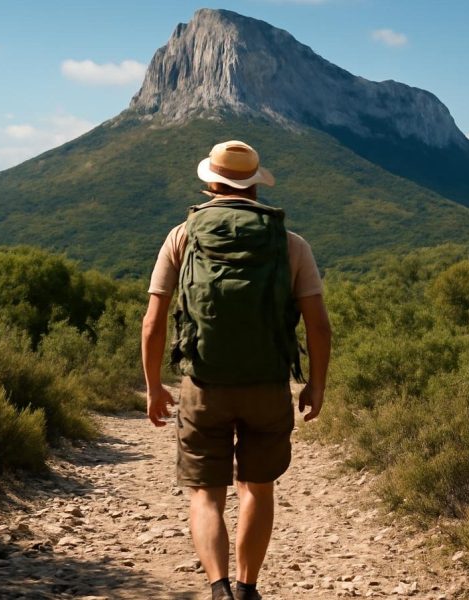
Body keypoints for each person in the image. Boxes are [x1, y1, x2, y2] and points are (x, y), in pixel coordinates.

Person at [141, 140, 332, 600]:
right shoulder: (290, 243)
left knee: (206, 494)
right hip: (267, 385)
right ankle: (248, 588)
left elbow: (153, 322)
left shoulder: (182, 236)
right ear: (255, 185)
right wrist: (316, 385)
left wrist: (153, 387)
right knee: (257, 489)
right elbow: (319, 326)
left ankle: (219, 588)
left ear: (211, 183)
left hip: (204, 385)